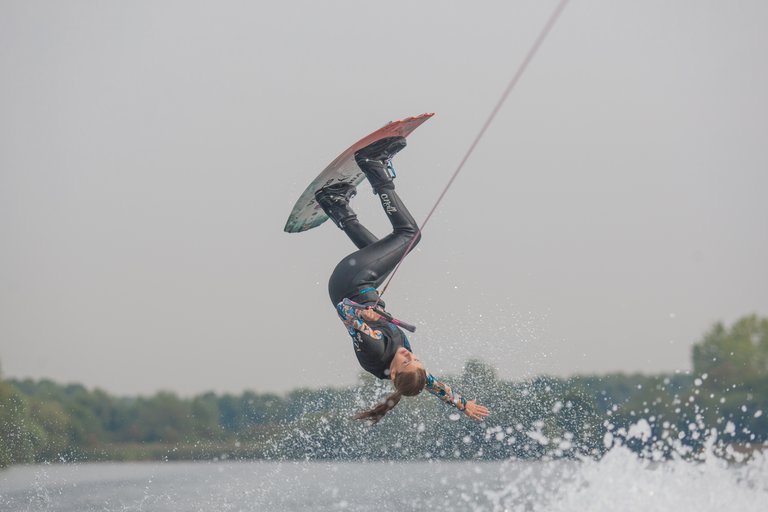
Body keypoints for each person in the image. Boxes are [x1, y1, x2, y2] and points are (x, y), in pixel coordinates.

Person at [314, 135, 490, 424]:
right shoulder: (403, 369)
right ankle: (335, 204)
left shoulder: (376, 349)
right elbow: (432, 384)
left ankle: (373, 166)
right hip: (361, 280)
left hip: (352, 282)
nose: (410, 354)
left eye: (407, 360)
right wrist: (462, 404)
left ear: (393, 373)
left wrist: (361, 312)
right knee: (378, 247)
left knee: (409, 236)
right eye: (417, 359)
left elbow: (344, 311)